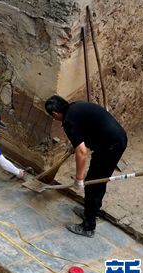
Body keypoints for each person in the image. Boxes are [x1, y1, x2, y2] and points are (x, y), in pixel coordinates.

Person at [45, 95, 128, 238]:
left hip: (110, 147)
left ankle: (88, 227)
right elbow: (86, 128)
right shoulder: (76, 106)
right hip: (116, 138)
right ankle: (91, 212)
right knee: (98, 181)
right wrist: (75, 143)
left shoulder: (68, 121)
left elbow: (82, 153)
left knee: (93, 184)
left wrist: (79, 179)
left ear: (55, 114)